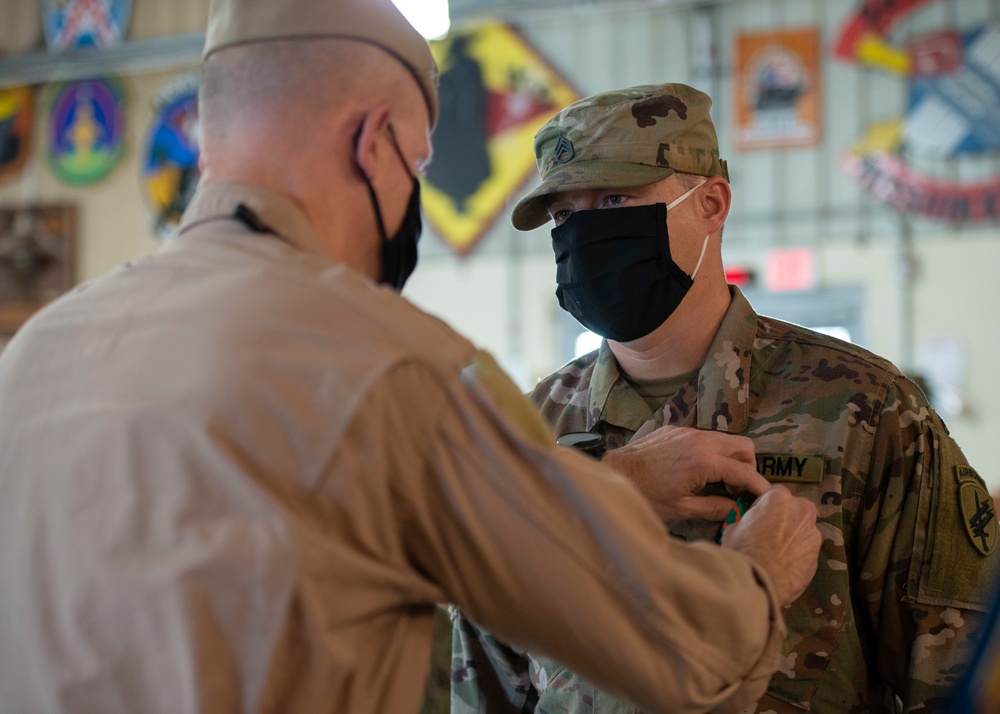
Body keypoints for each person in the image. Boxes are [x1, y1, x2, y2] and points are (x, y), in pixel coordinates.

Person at [0, 5, 826, 714]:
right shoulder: (393, 370)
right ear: (375, 142)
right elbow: (678, 651)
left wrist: (606, 486)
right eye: (419, 165)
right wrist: (756, 577)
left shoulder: (38, 354)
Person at [450, 83, 999, 714]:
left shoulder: (865, 412)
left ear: (711, 202)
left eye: (614, 199)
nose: (583, 236)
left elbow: (963, 677)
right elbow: (482, 688)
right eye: (565, 216)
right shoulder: (526, 431)